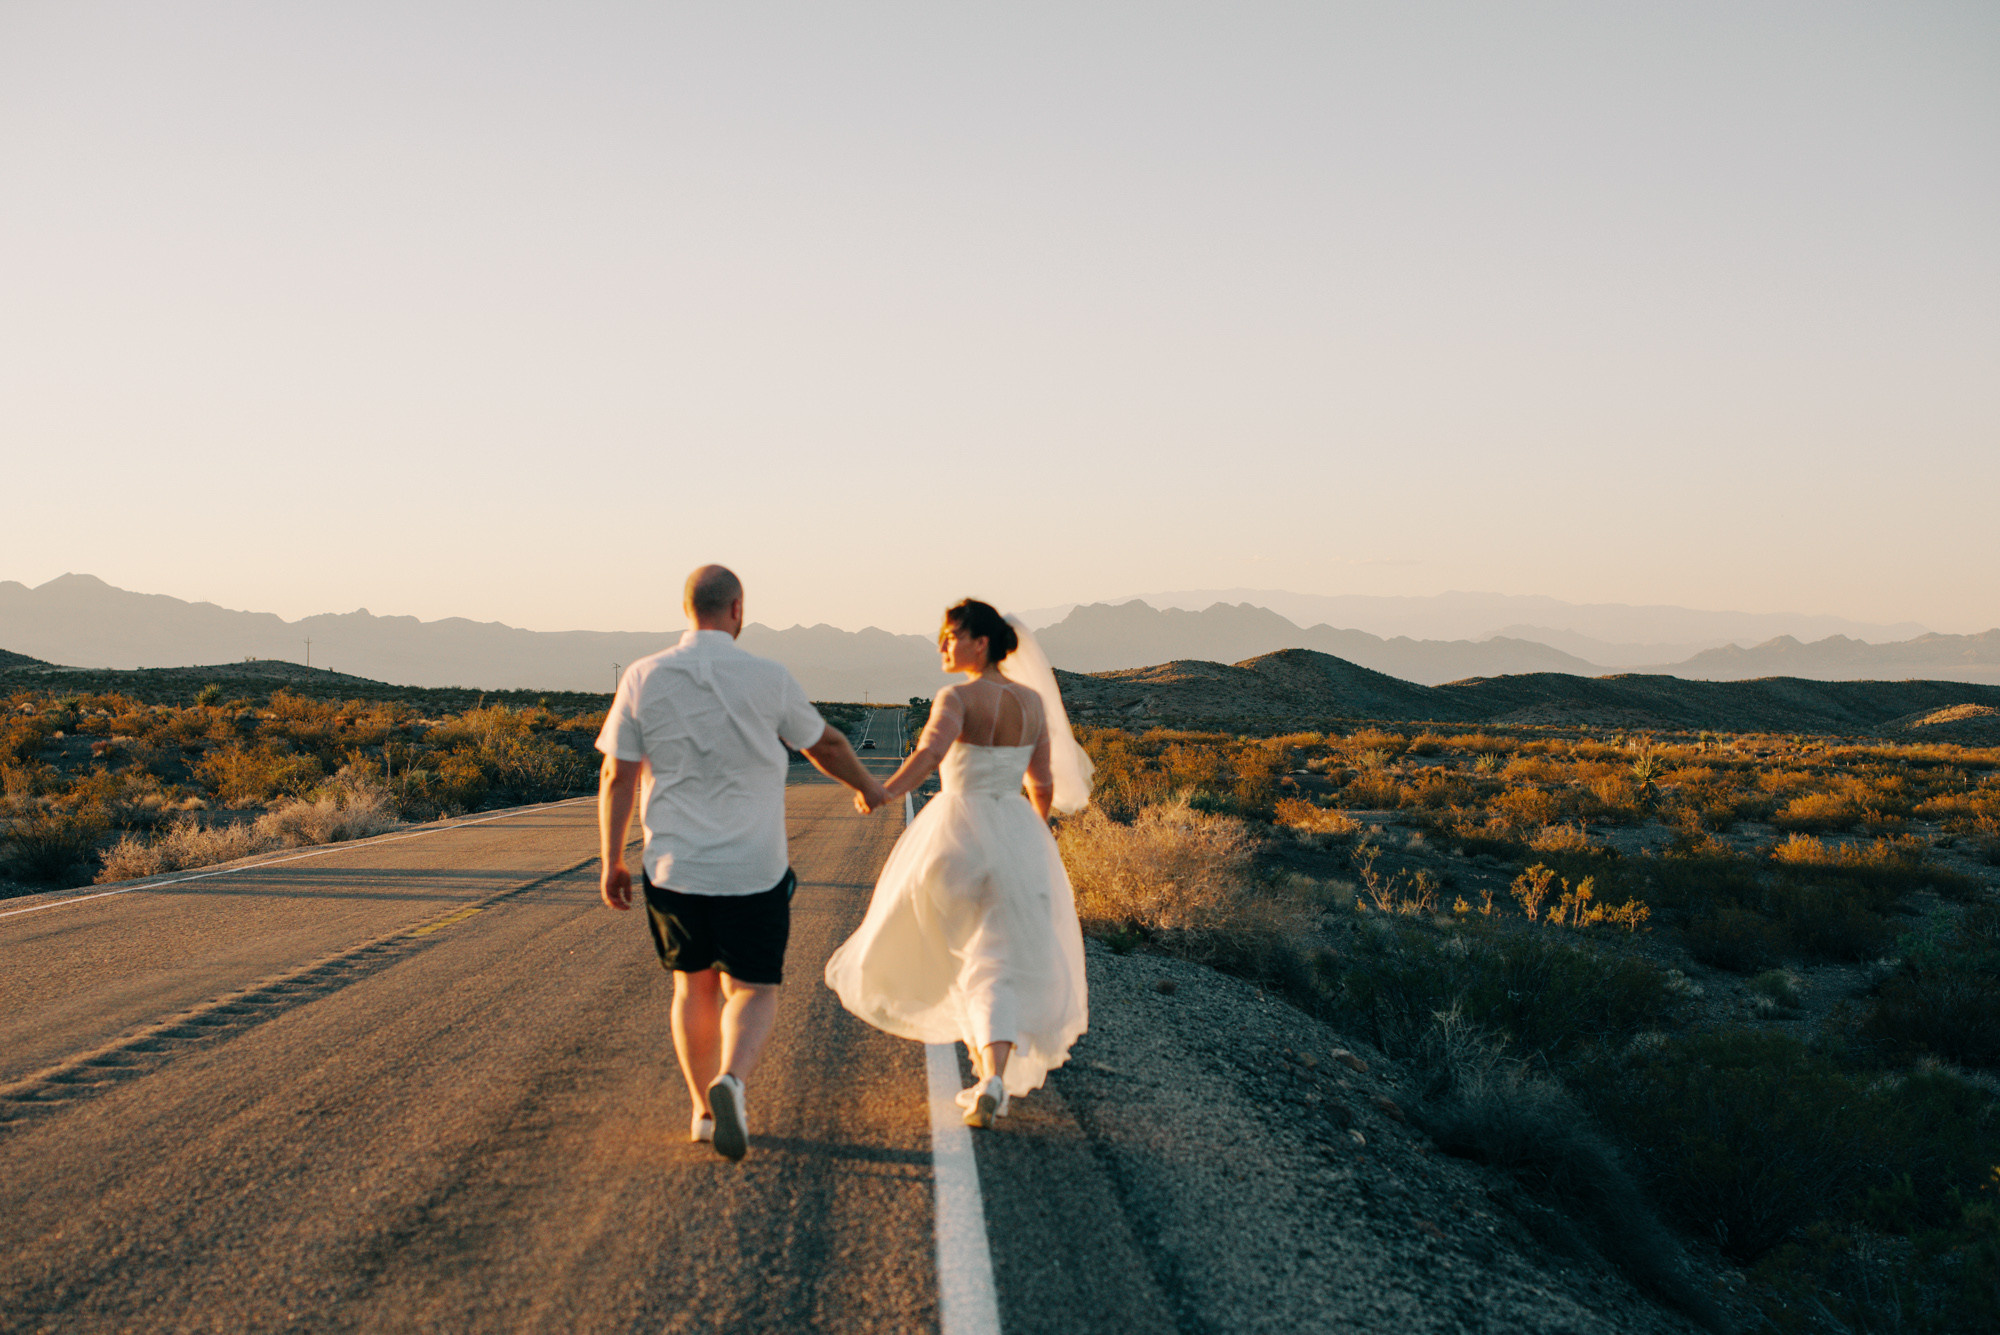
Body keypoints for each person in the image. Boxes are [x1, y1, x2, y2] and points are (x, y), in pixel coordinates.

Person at [598, 564, 887, 1161]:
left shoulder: (643, 677)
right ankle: (733, 1078)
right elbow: (826, 743)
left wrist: (610, 860)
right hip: (754, 869)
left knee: (693, 986)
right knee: (752, 989)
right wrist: (866, 787)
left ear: (687, 610)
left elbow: (616, 774)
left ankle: (704, 1111)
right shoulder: (768, 677)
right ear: (737, 611)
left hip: (675, 868)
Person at [824, 599, 1093, 1127]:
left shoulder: (957, 698)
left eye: (952, 636)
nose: (943, 646)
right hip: (1016, 832)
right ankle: (991, 1075)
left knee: (956, 952)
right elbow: (1040, 783)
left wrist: (882, 793)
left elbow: (926, 758)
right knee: (998, 962)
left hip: (957, 837)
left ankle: (988, 1077)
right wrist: (1032, 836)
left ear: (982, 643)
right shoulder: (1034, 704)